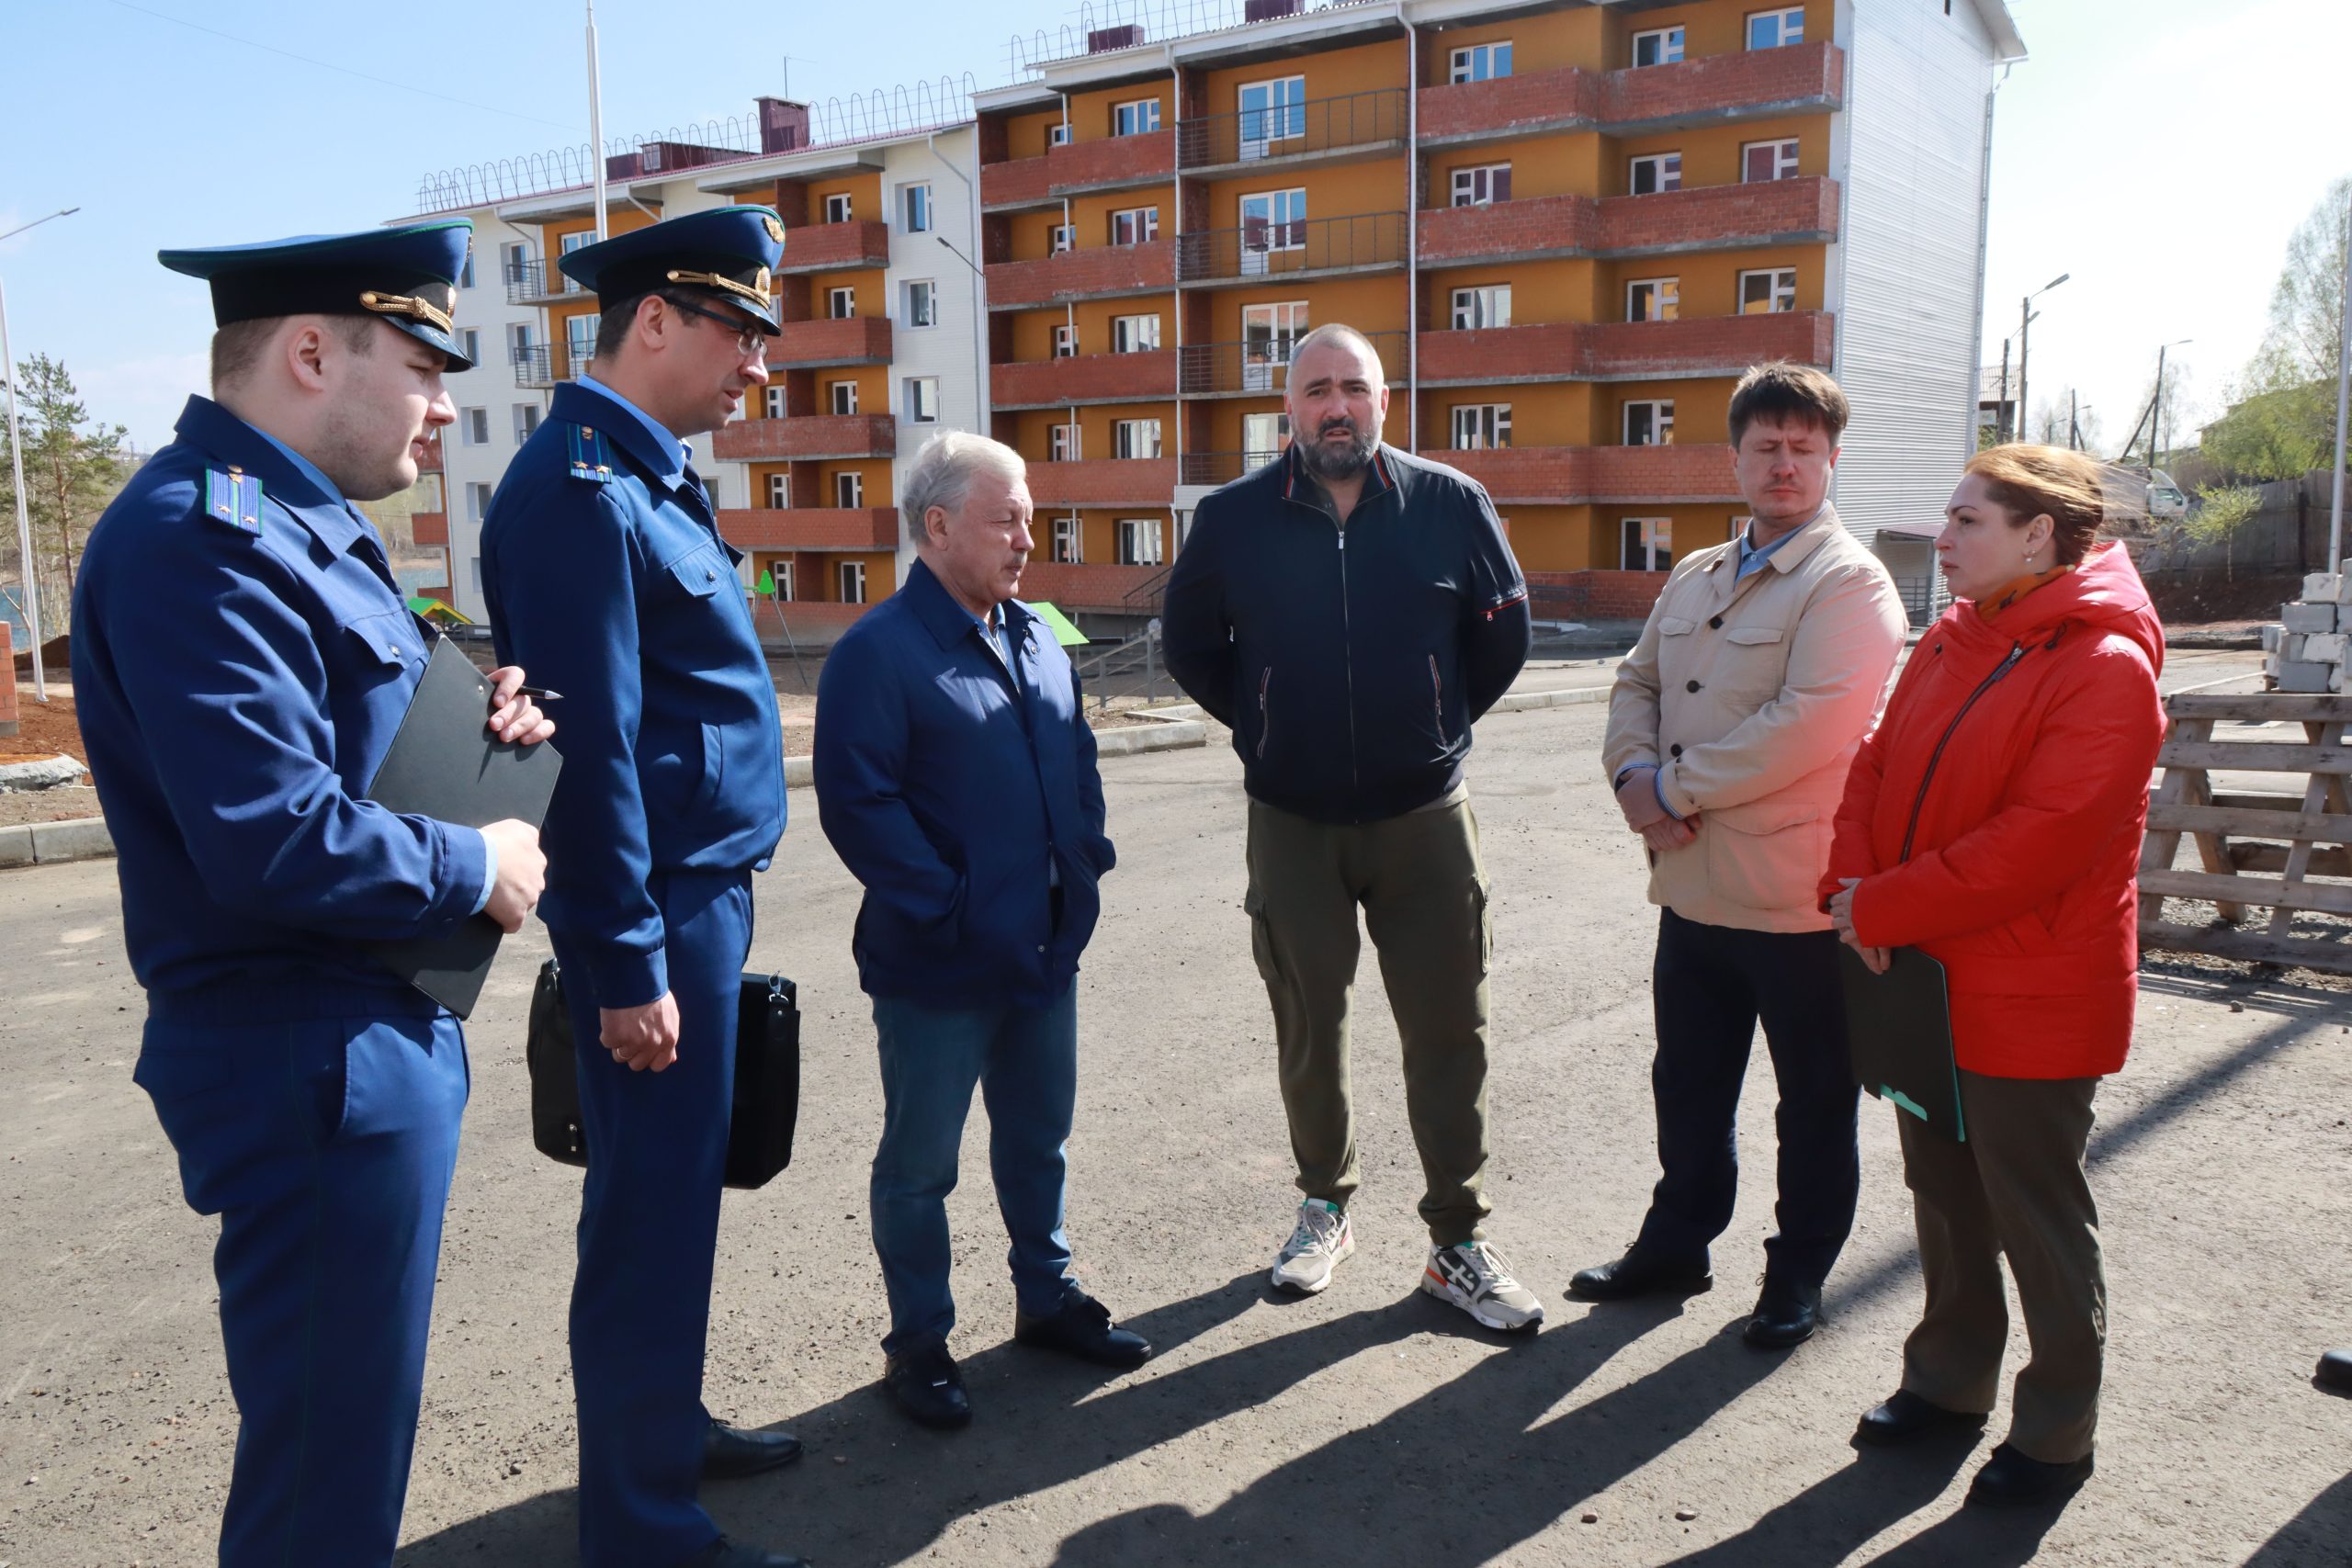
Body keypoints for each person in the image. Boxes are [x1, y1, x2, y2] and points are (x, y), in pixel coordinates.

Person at [72, 220, 555, 1566]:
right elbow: (270, 832)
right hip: (306, 1051)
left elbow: (359, 732)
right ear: (304, 353)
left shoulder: (300, 522)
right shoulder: (200, 537)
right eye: (420, 361)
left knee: (348, 1442)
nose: (446, 401)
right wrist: (480, 859)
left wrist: (480, 715)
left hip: (360, 1030)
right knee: (320, 1478)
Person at [480, 208, 800, 1568]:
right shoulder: (577, 487)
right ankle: (642, 1522)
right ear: (656, 320)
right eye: (740, 331)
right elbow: (590, 748)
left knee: (676, 1197)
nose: (759, 368)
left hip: (700, 887)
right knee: (647, 1214)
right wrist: (621, 961)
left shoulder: (651, 474)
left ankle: (660, 1429)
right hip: (654, 905)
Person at [1160, 323, 1544, 1332]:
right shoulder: (1235, 518)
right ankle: (1323, 1207)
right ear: (1287, 406)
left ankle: (1456, 1239)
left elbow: (1502, 639)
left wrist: (1434, 724)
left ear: (1385, 400)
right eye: (1317, 389)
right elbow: (1193, 646)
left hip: (1425, 818)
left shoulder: (1450, 504)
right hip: (1292, 822)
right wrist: (1267, 727)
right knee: (1307, 1022)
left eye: (1355, 389)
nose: (1337, 406)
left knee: (1449, 1028)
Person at [1826, 444, 2165, 1507]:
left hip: (2031, 993)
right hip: (1922, 978)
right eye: (1949, 516)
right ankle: (1947, 1382)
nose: (1944, 536)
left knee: (2035, 1216)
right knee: (1943, 1198)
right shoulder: (1955, 636)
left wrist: (1881, 904)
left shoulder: (2106, 666)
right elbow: (1874, 761)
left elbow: (2038, 843)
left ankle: (2057, 1430)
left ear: (2039, 535)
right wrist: (1849, 882)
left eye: (1967, 520)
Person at [813, 431, 1150, 1429]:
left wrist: (1083, 857)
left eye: (1030, 518)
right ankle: (918, 1341)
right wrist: (950, 904)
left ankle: (1045, 1301)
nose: (1026, 538)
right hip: (938, 965)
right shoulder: (878, 653)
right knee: (920, 1167)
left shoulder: (1035, 633)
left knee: (1038, 1140)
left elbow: (1076, 755)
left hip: (1044, 947)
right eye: (1007, 519)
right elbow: (858, 805)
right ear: (938, 526)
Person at [1586, 362, 1907, 1349]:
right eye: (1765, 447)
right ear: (1734, 458)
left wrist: (1671, 791)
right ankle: (1677, 1241)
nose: (1783, 466)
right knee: (1686, 1086)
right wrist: (1631, 780)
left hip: (1794, 901)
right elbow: (1634, 682)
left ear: (1830, 460)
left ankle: (1797, 1275)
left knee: (1811, 1101)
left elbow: (1811, 724)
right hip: (1690, 892)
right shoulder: (1696, 572)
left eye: (1802, 449)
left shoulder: (1848, 581)